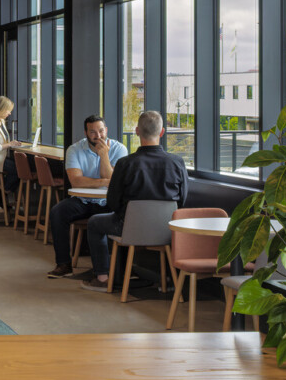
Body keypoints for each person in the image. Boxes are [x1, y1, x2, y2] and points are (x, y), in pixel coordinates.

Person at [81, 110, 188, 290]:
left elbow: (113, 203)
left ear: (137, 131)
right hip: (167, 230)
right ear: (162, 132)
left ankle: (102, 278)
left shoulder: (125, 164)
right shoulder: (177, 163)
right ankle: (170, 281)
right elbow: (182, 201)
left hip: (128, 228)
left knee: (94, 223)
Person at [46, 115, 129, 279]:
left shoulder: (120, 149)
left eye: (101, 130)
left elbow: (114, 184)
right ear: (85, 133)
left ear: (106, 130)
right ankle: (63, 264)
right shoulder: (74, 150)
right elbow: (76, 181)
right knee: (58, 212)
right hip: (83, 201)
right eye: (93, 132)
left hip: (109, 202)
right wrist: (105, 181)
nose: (98, 136)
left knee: (121, 216)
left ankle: (112, 270)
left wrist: (104, 155)